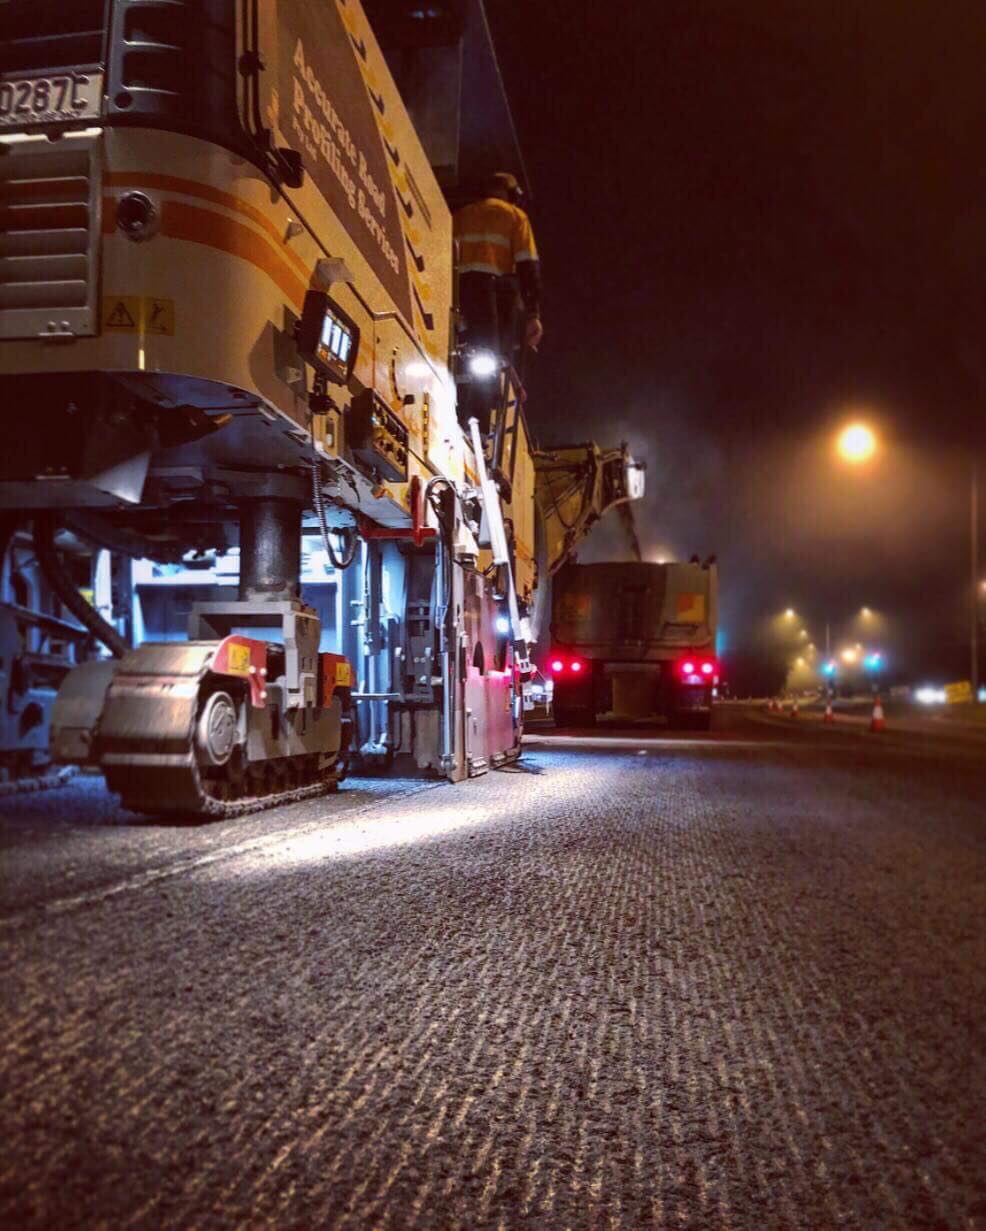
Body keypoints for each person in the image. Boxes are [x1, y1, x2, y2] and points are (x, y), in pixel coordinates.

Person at [453, 172, 543, 382]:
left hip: (460, 293)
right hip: (495, 296)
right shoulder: (515, 216)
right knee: (492, 357)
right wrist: (533, 314)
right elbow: (527, 267)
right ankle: (486, 400)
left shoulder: (461, 215)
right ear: (511, 193)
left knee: (466, 350)